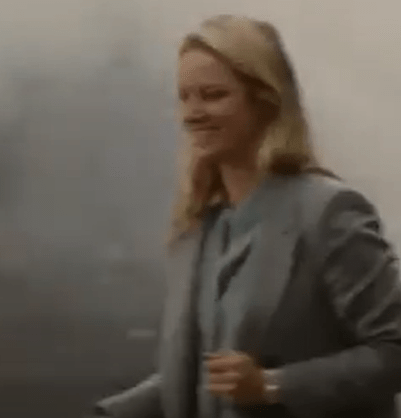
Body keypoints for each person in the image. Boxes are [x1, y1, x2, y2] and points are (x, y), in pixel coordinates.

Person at [92, 14, 401, 418]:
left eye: (213, 95)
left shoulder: (329, 212)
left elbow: (393, 349)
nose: (192, 113)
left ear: (266, 101)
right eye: (184, 97)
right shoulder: (199, 227)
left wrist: (273, 385)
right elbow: (199, 378)